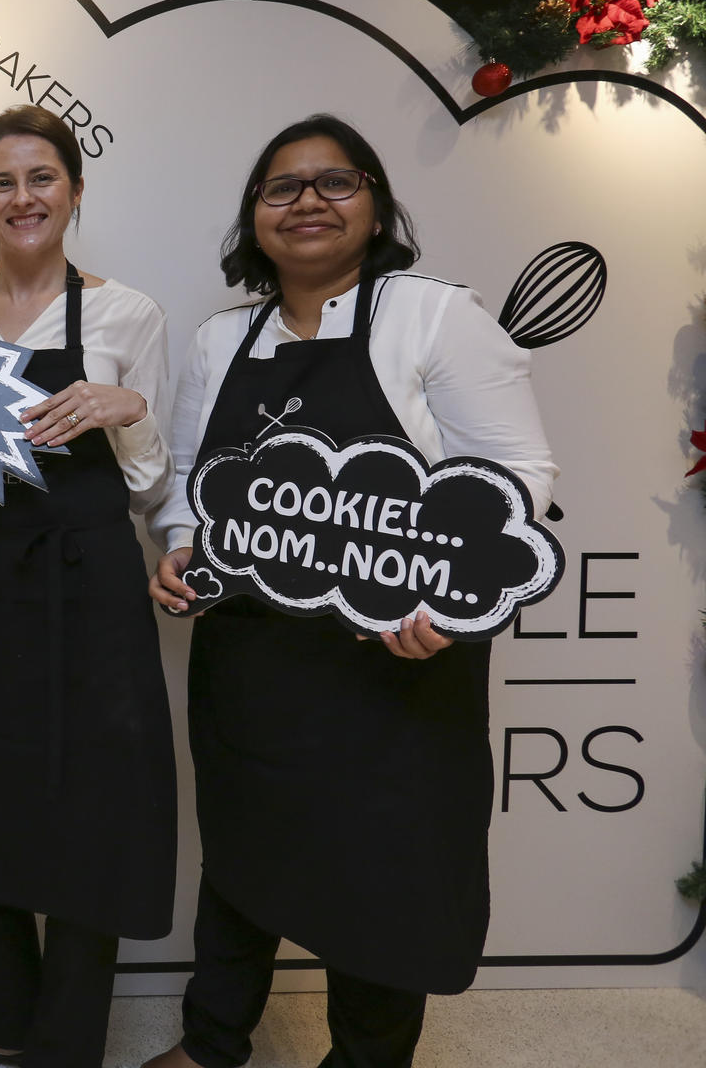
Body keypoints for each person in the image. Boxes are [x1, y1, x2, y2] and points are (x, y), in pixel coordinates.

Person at [141, 115, 557, 1068]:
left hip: (396, 659)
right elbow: (193, 479)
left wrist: (450, 603)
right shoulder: (221, 339)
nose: (308, 204)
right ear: (255, 219)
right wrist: (179, 547)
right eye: (281, 188)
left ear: (375, 206)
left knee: (388, 872)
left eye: (336, 182)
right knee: (241, 850)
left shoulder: (437, 315)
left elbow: (519, 471)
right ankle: (212, 1043)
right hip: (255, 654)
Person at [0, 105, 179, 1068]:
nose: (24, 198)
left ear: (75, 192)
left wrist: (125, 409)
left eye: (42, 178)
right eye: (4, 183)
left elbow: (152, 489)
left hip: (93, 587)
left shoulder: (128, 314)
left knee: (97, 806)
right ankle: (4, 1017)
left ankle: (68, 1037)